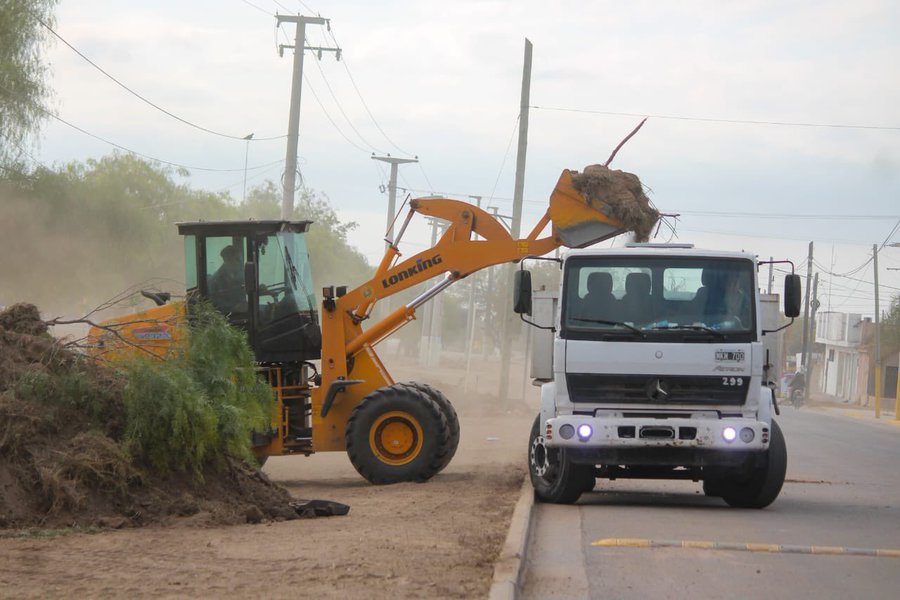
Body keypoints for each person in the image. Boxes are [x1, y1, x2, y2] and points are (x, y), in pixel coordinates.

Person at [209, 245, 247, 312]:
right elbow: (213, 302)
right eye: (238, 259)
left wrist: (258, 289)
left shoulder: (239, 274)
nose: (241, 263)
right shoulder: (216, 280)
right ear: (227, 260)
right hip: (228, 316)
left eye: (241, 260)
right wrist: (234, 307)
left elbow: (242, 289)